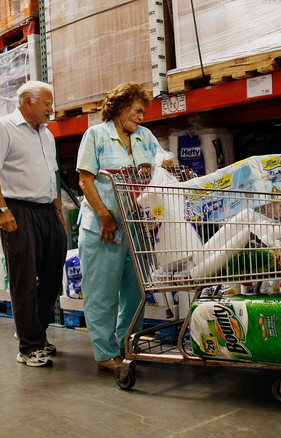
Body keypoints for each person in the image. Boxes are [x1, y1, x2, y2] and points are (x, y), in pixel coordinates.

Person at [76, 82, 172, 372]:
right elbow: (85, 180)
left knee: (137, 291)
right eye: (137, 110)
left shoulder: (145, 136)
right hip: (103, 228)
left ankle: (126, 340)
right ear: (120, 107)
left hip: (137, 227)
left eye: (144, 112)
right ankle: (105, 353)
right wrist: (105, 215)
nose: (142, 116)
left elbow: (161, 166)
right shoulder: (96, 135)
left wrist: (164, 163)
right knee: (102, 293)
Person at [0, 80, 68, 367]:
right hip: (18, 210)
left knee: (53, 277)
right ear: (28, 102)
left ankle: (35, 332)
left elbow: (52, 175)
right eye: (46, 104)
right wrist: (1, 210)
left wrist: (58, 213)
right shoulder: (4, 127)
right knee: (25, 280)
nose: (50, 110)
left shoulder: (47, 135)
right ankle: (29, 346)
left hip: (46, 211)